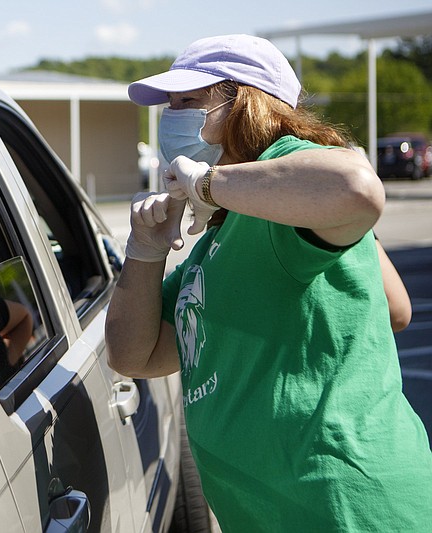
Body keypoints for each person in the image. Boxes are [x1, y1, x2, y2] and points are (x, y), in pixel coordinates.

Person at [106, 34, 432, 532]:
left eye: (189, 102)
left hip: (345, 509)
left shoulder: (286, 162)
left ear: (244, 101)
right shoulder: (230, 226)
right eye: (169, 106)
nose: (173, 119)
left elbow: (358, 188)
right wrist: (144, 251)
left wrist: (208, 184)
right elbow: (134, 355)